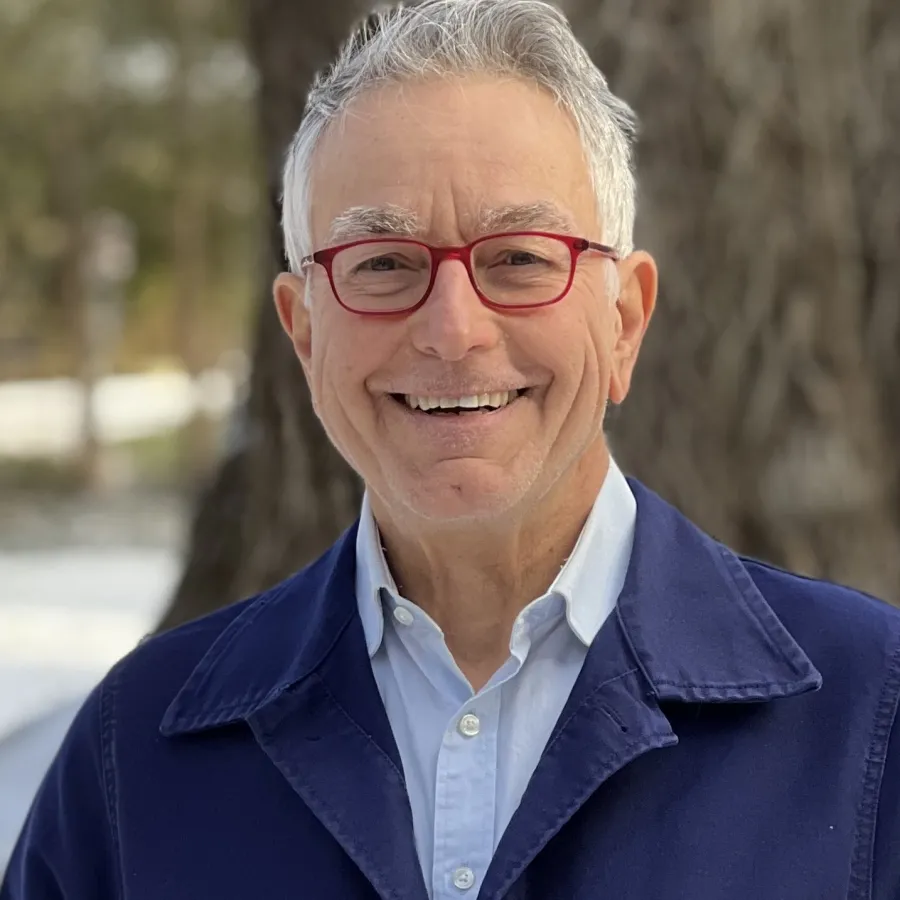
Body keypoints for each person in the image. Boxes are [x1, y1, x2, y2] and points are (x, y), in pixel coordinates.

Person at [3, 0, 900, 897]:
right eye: (383, 263)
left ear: (624, 321)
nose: (453, 330)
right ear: (304, 334)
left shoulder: (872, 718)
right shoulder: (135, 757)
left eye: (520, 258)